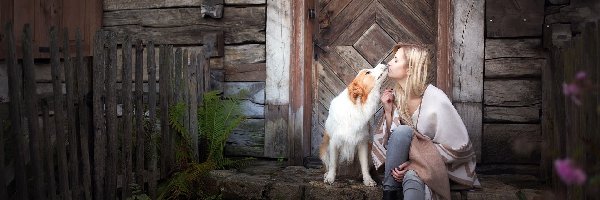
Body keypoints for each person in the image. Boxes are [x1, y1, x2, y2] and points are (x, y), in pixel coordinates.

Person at [371, 43, 481, 200]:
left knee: (412, 175)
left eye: (395, 60)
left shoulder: (436, 99)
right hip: (404, 165)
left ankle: (390, 193)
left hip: (437, 164)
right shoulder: (396, 97)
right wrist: (388, 112)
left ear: (410, 69)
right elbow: (392, 144)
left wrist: (417, 164)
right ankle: (389, 193)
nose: (389, 63)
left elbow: (459, 147)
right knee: (403, 134)